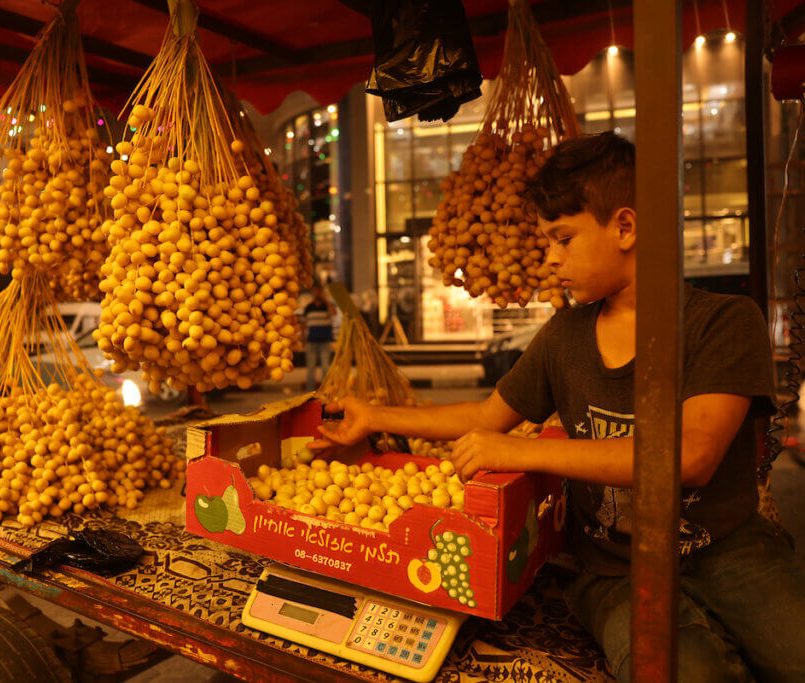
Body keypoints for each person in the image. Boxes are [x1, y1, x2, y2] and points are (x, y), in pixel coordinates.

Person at [308, 133, 805, 682]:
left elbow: (690, 456)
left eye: (562, 239)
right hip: (613, 570)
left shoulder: (724, 322)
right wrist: (376, 417)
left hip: (729, 550)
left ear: (625, 227)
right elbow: (484, 419)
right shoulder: (564, 337)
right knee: (687, 673)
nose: (550, 258)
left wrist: (526, 452)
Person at [302, 284, 336, 391]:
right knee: (311, 368)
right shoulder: (309, 307)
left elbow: (333, 313)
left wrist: (325, 299)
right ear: (312, 293)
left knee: (326, 367)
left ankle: (326, 390)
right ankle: (310, 391)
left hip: (325, 341)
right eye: (315, 291)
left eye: (319, 292)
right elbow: (304, 324)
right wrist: (303, 338)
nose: (317, 294)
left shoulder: (327, 306)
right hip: (311, 341)